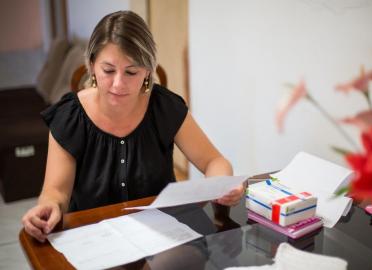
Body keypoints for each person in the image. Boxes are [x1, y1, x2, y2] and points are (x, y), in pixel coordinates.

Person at [22, 10, 244, 242]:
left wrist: (220, 185)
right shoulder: (70, 117)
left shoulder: (163, 107)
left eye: (131, 72)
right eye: (108, 70)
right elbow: (55, 192)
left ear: (148, 71)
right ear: (92, 65)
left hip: (161, 234)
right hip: (95, 237)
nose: (118, 84)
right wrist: (49, 206)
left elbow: (214, 161)